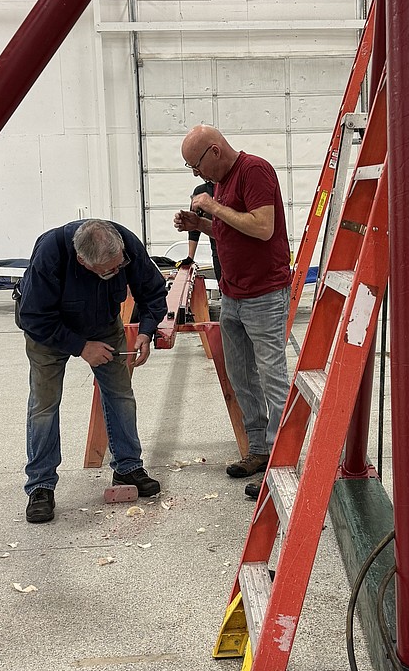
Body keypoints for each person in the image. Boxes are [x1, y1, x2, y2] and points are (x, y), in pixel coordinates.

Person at [19, 218, 167, 522]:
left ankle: (128, 468)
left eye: (118, 266)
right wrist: (81, 347)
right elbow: (33, 316)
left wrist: (146, 331)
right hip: (48, 332)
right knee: (44, 406)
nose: (115, 272)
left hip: (103, 325)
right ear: (82, 261)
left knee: (121, 394)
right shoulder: (51, 253)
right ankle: (41, 485)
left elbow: (153, 292)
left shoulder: (125, 244)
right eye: (107, 272)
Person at [174, 125, 291, 496]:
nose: (197, 175)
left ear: (214, 151)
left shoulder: (255, 170)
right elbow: (231, 230)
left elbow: (261, 227)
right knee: (241, 376)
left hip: (264, 294)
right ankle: (258, 449)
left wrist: (211, 206)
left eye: (196, 166)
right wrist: (202, 225)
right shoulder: (221, 181)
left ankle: (281, 460)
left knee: (272, 377)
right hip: (234, 295)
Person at [179, 179, 221, 286]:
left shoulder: (228, 186)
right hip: (217, 251)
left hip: (237, 251)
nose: (196, 174)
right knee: (223, 287)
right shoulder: (201, 191)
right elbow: (194, 228)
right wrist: (190, 257)